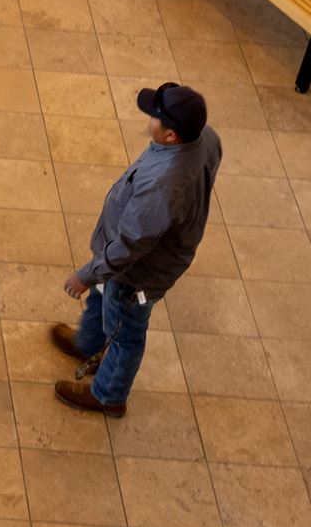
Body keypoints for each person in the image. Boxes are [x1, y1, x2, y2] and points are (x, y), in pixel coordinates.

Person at [54, 83, 223, 418]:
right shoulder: (206, 138)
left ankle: (108, 396)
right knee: (105, 296)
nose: (150, 120)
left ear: (171, 135)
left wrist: (86, 275)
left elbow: (131, 245)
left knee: (126, 332)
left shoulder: (163, 185)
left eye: (155, 117)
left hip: (137, 273)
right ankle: (87, 343)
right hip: (122, 260)